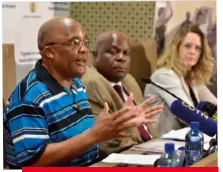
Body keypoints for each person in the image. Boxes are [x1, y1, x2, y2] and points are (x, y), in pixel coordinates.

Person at [3, 17, 163, 168]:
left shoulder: (76, 84)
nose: (84, 50)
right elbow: (32, 163)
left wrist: (119, 123)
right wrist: (94, 136)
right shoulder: (29, 97)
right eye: (75, 43)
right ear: (50, 52)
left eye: (85, 43)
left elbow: (81, 137)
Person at [82, 30, 163, 158]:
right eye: (113, 52)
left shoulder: (129, 80)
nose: (121, 58)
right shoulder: (92, 84)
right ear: (95, 56)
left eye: (126, 53)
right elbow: (108, 143)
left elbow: (149, 129)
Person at [144, 25, 217, 136]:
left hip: (187, 140)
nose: (192, 52)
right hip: (161, 142)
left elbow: (215, 104)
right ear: (176, 48)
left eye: (197, 48)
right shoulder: (164, 76)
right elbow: (187, 115)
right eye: (187, 46)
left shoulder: (191, 77)